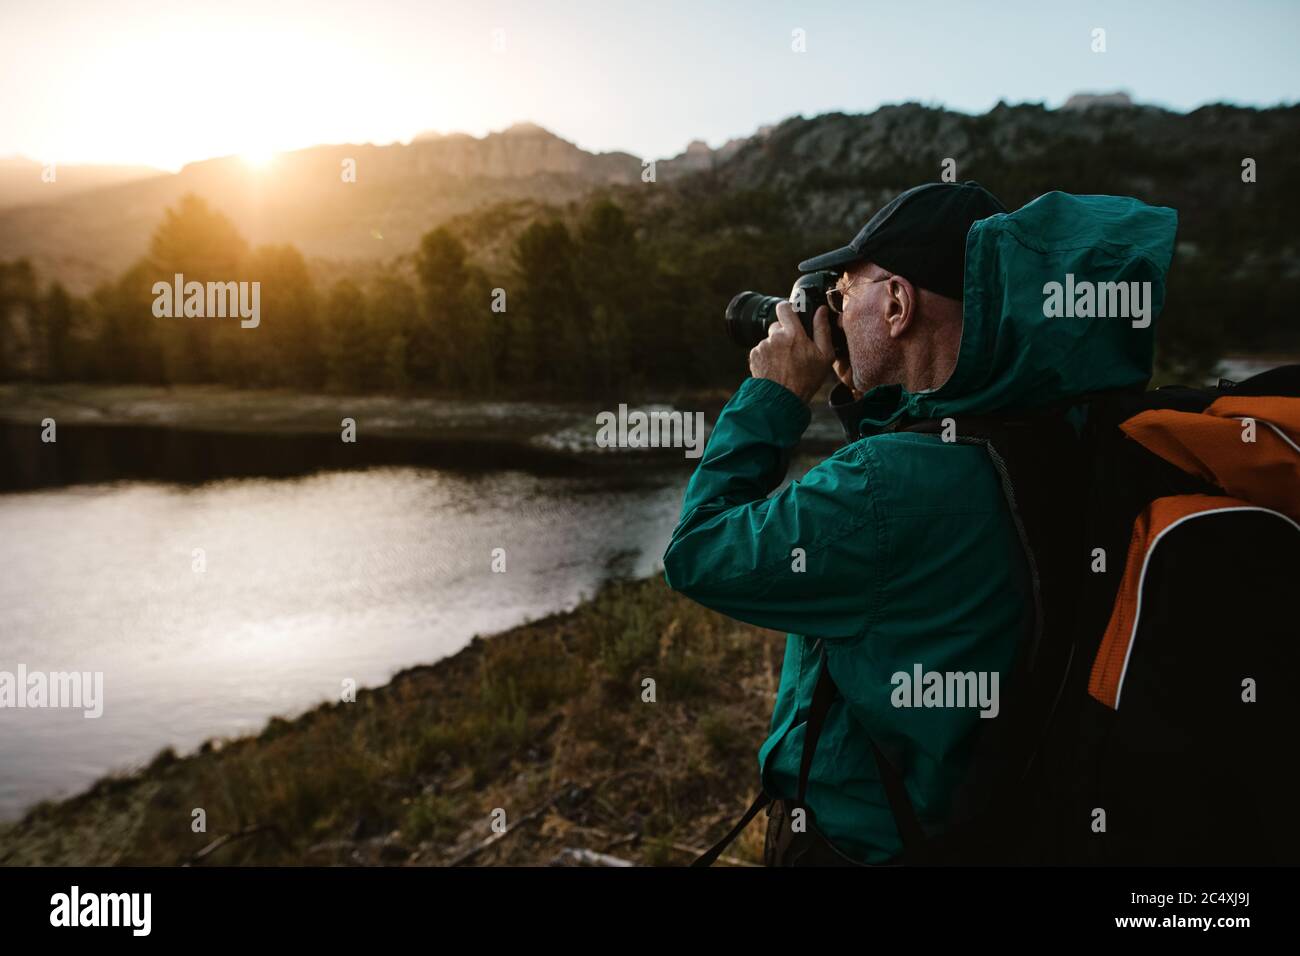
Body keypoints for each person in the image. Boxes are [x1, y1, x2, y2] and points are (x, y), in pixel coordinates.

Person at [662, 180, 1179, 864]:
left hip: (856, 848)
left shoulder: (883, 487)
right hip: (977, 831)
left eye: (845, 295)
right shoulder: (1050, 439)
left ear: (899, 304)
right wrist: (862, 386)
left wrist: (773, 394)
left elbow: (697, 550)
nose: (835, 313)